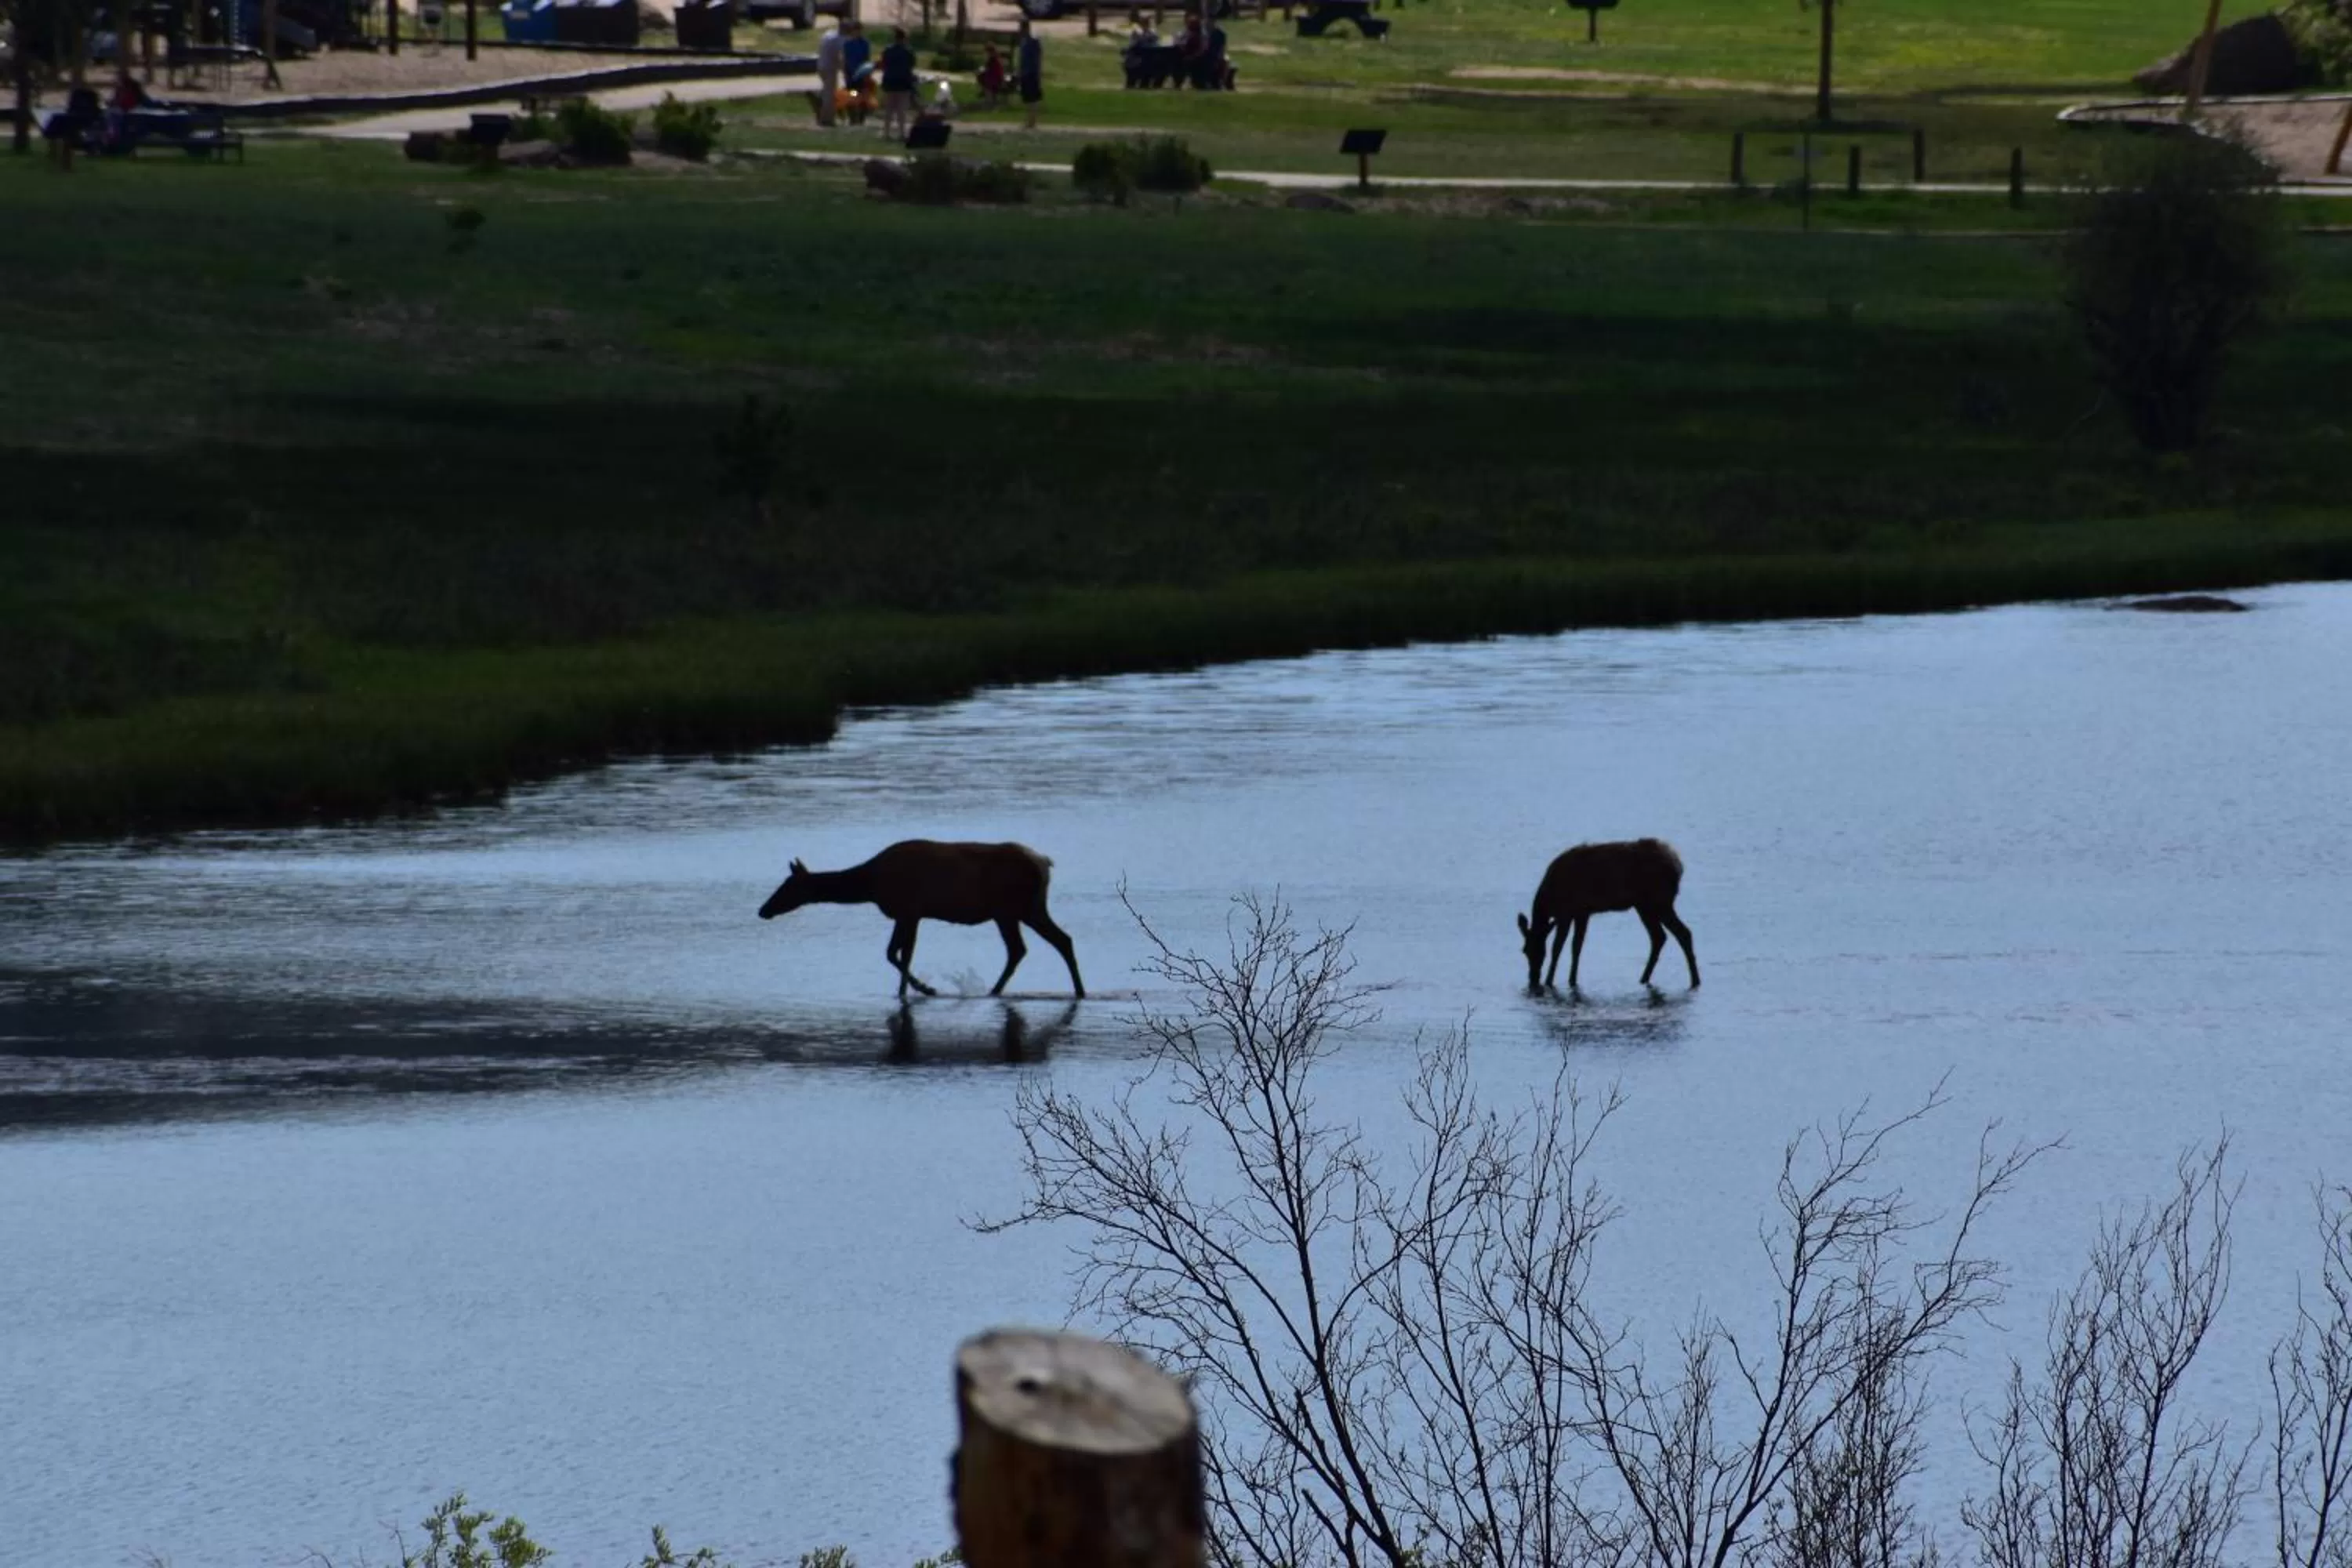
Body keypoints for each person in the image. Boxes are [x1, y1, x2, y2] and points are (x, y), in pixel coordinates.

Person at [878, 25, 917, 140]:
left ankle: (886, 132)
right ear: (904, 38)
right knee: (902, 110)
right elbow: (911, 66)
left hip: (890, 81)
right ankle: (902, 132)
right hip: (904, 82)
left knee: (889, 109)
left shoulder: (887, 50)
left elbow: (884, 65)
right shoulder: (908, 52)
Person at [1014, 17, 1042, 130]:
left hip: (1032, 73)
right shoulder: (1023, 42)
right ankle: (1029, 120)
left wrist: (1037, 72)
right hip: (1025, 73)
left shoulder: (1033, 42)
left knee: (1033, 99)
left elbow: (1037, 59)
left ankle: (1033, 121)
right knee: (1027, 99)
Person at [815, 20, 844, 125]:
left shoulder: (828, 34)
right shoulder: (839, 39)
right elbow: (840, 57)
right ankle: (827, 119)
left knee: (827, 91)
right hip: (830, 67)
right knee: (830, 94)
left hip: (821, 64)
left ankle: (819, 100)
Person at [841, 20, 873, 90]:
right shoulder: (847, 44)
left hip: (861, 74)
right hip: (850, 75)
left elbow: (867, 59)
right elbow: (845, 59)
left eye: (859, 30)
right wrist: (845, 73)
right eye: (855, 30)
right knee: (852, 95)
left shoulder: (865, 43)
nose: (857, 32)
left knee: (861, 94)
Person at [976, 43, 1007, 109]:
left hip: (995, 80)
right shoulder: (995, 59)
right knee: (982, 77)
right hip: (996, 79)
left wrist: (980, 71)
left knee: (984, 80)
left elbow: (989, 70)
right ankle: (989, 99)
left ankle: (989, 102)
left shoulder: (993, 60)